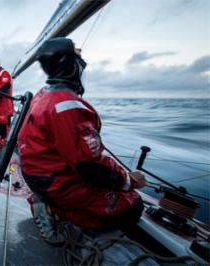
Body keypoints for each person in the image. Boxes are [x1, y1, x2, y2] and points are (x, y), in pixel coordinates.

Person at [17, 37, 146, 245]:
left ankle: (49, 201)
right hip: (56, 183)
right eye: (78, 58)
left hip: (36, 173)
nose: (81, 62)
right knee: (133, 207)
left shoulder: (42, 95)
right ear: (70, 66)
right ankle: (53, 210)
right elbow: (89, 166)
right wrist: (129, 180)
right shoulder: (68, 106)